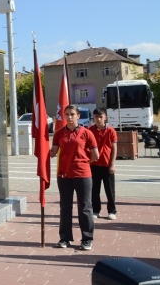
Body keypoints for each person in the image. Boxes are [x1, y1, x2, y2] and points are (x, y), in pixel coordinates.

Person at [50, 105, 99, 251]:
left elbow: (95, 155)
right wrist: (41, 149)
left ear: (78, 116)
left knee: (85, 207)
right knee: (65, 207)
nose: (69, 117)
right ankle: (65, 238)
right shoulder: (59, 133)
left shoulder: (87, 133)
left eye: (72, 114)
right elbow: (53, 152)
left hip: (82, 175)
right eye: (67, 114)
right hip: (64, 175)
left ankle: (87, 239)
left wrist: (82, 163)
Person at [89, 108, 118, 220]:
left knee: (110, 190)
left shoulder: (111, 131)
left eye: (101, 116)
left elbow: (114, 148)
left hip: (107, 165)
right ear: (93, 117)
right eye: (96, 116)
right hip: (94, 165)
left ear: (105, 117)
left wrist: (112, 164)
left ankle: (112, 211)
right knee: (94, 190)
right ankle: (96, 210)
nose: (99, 119)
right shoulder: (90, 130)